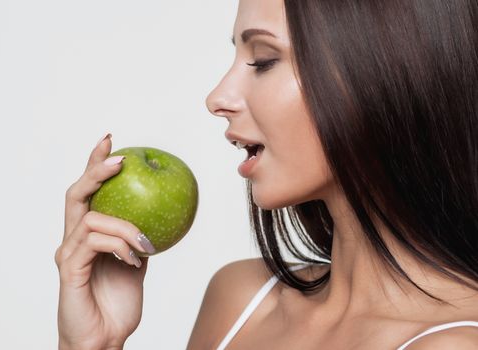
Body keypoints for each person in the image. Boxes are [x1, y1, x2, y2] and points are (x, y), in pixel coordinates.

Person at [54, 0, 478, 348]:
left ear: (381, 74)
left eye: (262, 60)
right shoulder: (240, 301)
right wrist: (93, 346)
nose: (217, 97)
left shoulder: (453, 343)